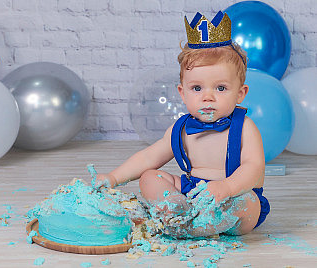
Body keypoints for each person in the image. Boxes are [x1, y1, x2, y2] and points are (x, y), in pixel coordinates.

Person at [95, 11, 270, 237]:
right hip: (192, 194)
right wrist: (114, 177)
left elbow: (254, 169)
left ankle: (193, 227)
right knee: (150, 176)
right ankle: (176, 209)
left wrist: (226, 188)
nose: (208, 97)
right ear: (182, 93)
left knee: (249, 202)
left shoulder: (245, 127)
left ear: (240, 93)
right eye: (197, 88)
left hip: (231, 196)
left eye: (220, 88)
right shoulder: (181, 130)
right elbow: (148, 157)